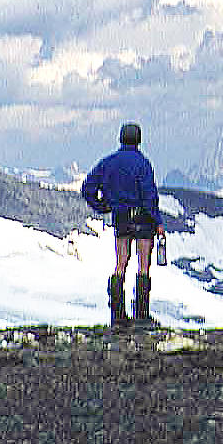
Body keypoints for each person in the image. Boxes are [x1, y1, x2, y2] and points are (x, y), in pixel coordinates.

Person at [81, 122, 164, 328]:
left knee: (121, 264)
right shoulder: (143, 163)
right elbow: (149, 196)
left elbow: (87, 187)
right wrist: (158, 221)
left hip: (120, 217)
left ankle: (118, 316)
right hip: (142, 218)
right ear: (139, 139)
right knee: (143, 264)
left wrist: (102, 206)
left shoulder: (108, 162)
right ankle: (141, 316)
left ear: (121, 138)